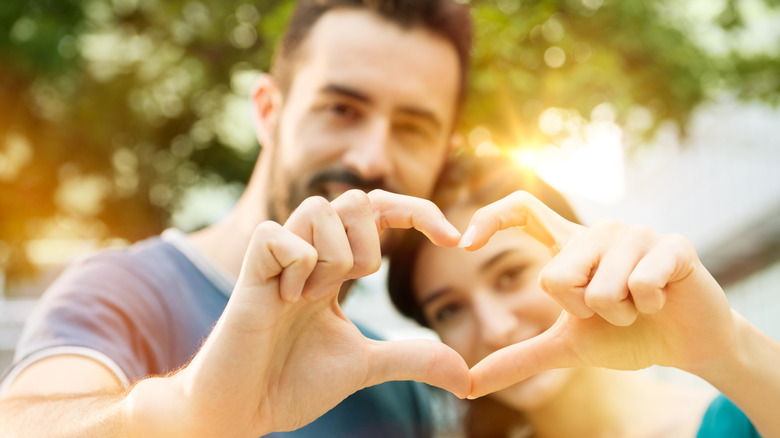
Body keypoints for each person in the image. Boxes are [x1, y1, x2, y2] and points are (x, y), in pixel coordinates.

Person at [0, 1, 474, 436]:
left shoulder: (397, 384)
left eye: (413, 129)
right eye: (341, 109)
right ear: (269, 111)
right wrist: (183, 411)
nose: (371, 159)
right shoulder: (122, 292)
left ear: (443, 157)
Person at [387, 157, 780, 437]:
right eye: (449, 310)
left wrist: (728, 350)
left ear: (579, 255)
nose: (496, 328)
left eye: (509, 275)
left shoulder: (747, 419)